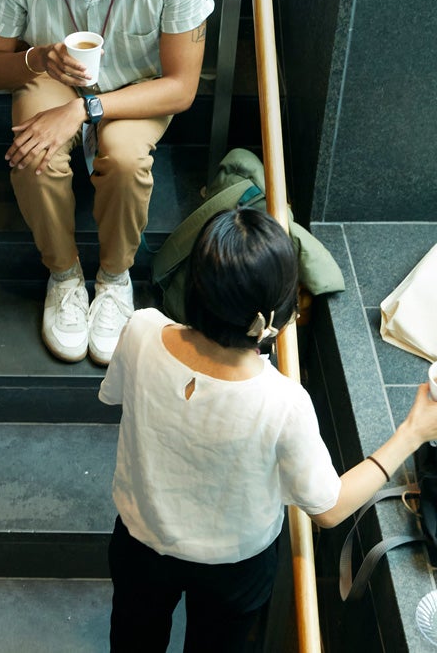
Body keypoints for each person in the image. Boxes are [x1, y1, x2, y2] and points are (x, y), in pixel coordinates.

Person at [101, 207, 437, 652]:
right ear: (274, 320)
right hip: (233, 567)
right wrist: (412, 431)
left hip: (139, 541)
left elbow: (122, 396)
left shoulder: (141, 329)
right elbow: (329, 509)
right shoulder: (283, 403)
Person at [0, 0, 213, 365]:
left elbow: (181, 87)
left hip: (137, 86)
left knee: (124, 158)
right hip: (50, 74)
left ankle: (114, 277)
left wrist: (84, 110)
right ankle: (63, 277)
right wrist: (38, 58)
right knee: (34, 151)